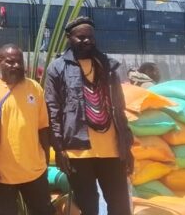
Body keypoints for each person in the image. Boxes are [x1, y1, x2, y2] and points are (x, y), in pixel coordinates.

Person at [44, 17, 134, 215]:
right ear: (69, 38)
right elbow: (53, 110)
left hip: (112, 150)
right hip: (78, 151)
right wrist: (59, 149)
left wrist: (126, 146)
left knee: (120, 206)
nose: (87, 41)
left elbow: (119, 107)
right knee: (88, 207)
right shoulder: (57, 68)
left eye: (91, 37)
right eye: (81, 37)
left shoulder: (108, 66)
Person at [0, 44, 53, 215]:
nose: (16, 66)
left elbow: (43, 127)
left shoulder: (34, 88)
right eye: (10, 62)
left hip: (34, 171)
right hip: (2, 174)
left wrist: (45, 159)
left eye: (19, 62)